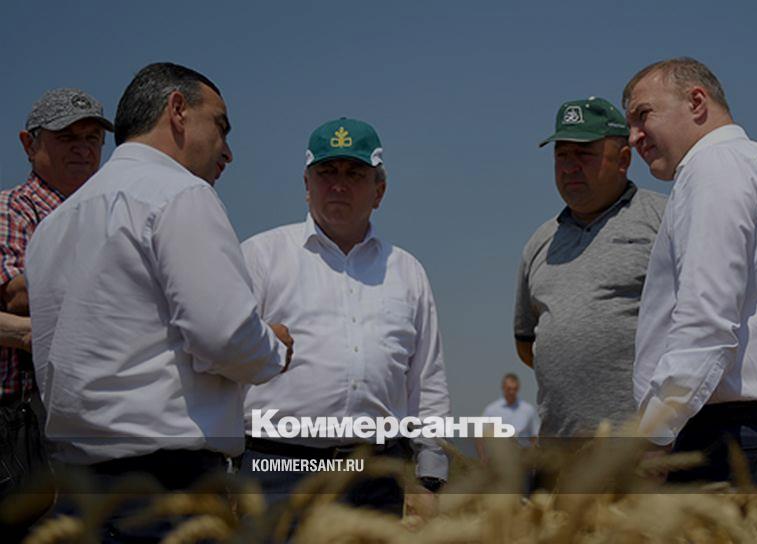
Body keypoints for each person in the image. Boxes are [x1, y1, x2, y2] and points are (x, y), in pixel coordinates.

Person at [25, 63, 293, 540]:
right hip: (167, 491)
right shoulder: (180, 194)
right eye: (220, 126)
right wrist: (274, 348)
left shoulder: (53, 225)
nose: (227, 151)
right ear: (178, 110)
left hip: (75, 492)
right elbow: (223, 336)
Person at [625, 57, 757, 485]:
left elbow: (706, 317)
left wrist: (655, 434)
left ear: (697, 102)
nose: (633, 137)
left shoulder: (713, 167)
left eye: (643, 115)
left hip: (733, 439)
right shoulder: (753, 163)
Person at [239, 117, 450, 516]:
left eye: (354, 173)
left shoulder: (407, 272)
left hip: (377, 475)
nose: (339, 184)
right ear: (307, 185)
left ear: (379, 191)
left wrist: (430, 474)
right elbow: (225, 362)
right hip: (278, 468)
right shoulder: (260, 257)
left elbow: (427, 380)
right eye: (327, 172)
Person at [514, 97, 666, 438]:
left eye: (584, 154)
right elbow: (527, 343)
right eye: (562, 155)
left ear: (624, 159)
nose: (569, 167)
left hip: (646, 449)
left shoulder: (665, 221)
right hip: (560, 451)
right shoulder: (540, 242)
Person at [0, 88, 112, 537]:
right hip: (20, 419)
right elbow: (15, 295)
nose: (83, 149)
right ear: (29, 144)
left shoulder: (104, 213)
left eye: (92, 138)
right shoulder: (12, 208)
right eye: (67, 137)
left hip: (86, 415)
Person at [477, 373, 539, 461]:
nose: (511, 392)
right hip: (499, 459)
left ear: (518, 388)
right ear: (503, 388)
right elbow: (479, 436)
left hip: (523, 459)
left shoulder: (528, 410)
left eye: (514, 389)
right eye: (509, 389)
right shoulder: (491, 410)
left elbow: (534, 436)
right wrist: (483, 459)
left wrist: (534, 458)